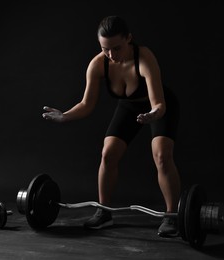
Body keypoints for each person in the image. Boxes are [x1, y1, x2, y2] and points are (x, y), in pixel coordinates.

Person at [42, 15, 181, 237]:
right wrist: (64, 116)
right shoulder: (98, 64)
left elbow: (159, 104)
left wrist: (153, 115)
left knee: (162, 156)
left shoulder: (144, 58)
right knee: (108, 154)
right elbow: (87, 105)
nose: (111, 55)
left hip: (159, 107)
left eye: (116, 48)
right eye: (105, 49)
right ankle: (104, 213)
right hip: (129, 107)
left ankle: (172, 216)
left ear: (129, 39)